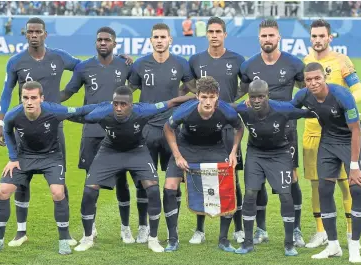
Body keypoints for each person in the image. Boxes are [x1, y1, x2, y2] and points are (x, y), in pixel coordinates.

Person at [0, 81, 96, 255]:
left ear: (42, 98)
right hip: (24, 158)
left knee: (58, 192)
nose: (29, 102)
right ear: (22, 99)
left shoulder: (55, 110)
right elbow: (7, 131)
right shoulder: (13, 114)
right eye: (25, 98)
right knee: (2, 191)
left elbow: (79, 111)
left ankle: (63, 239)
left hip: (51, 157)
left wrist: (107, 106)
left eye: (33, 98)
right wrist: (13, 158)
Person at [73, 86, 193, 253]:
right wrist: (49, 112)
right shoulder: (101, 112)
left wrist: (197, 98)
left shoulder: (143, 110)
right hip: (109, 151)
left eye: (123, 104)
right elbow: (76, 113)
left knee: (152, 189)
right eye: (115, 104)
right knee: (89, 191)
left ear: (131, 104)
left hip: (137, 150)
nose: (119, 108)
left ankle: (153, 238)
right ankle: (87, 238)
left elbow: (171, 102)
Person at [0, 17, 80, 248]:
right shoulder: (16, 62)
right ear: (26, 34)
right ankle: (20, 232)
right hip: (25, 126)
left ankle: (66, 233)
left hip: (54, 126)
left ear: (45, 35)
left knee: (59, 182)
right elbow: (6, 92)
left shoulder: (59, 57)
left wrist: (68, 92)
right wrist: (0, 123)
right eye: (30, 32)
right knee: (22, 179)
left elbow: (82, 68)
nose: (34, 35)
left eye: (38, 32)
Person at [60, 26, 139, 244]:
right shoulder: (84, 67)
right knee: (90, 181)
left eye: (107, 40)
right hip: (92, 132)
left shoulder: (125, 65)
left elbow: (135, 84)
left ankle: (125, 228)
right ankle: (91, 227)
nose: (102, 43)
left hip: (117, 132)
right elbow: (68, 92)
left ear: (114, 43)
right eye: (99, 40)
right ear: (96, 43)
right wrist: (48, 104)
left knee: (122, 180)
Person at [237, 18, 305, 247]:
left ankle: (296, 229)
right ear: (259, 38)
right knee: (258, 182)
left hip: (287, 135)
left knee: (292, 180)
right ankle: (261, 229)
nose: (268, 39)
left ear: (279, 37)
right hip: (258, 134)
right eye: (264, 36)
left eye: (271, 35)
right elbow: (241, 92)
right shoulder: (249, 66)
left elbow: (306, 92)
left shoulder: (294, 64)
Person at [291, 62, 361, 263]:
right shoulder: (303, 96)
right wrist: (263, 105)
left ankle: (354, 245)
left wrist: (353, 166)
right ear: (304, 82)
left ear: (325, 77)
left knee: (356, 189)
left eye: (317, 78)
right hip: (328, 142)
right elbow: (287, 111)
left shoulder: (342, 95)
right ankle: (333, 245)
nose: (313, 83)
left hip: (351, 140)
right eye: (309, 80)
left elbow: (356, 130)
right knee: (324, 189)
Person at [128, 22, 196, 242]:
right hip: (146, 130)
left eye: (163, 37)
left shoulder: (181, 64)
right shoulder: (140, 65)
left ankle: (171, 229)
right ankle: (142, 226)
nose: (159, 40)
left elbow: (195, 91)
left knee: (173, 181)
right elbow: (127, 93)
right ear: (151, 40)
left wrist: (181, 100)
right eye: (155, 37)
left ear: (170, 40)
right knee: (143, 181)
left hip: (172, 130)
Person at [233, 79, 315, 256]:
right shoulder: (243, 108)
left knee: (286, 195)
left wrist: (330, 111)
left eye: (260, 97)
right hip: (255, 153)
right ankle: (247, 243)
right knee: (250, 194)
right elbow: (226, 108)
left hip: (280, 154)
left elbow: (307, 113)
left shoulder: (281, 108)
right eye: (253, 97)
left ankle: (288, 244)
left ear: (267, 96)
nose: (256, 100)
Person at [163, 76, 244, 252]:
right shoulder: (185, 111)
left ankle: (223, 239)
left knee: (228, 188)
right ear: (197, 96)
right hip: (187, 148)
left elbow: (240, 127)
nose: (208, 101)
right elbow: (168, 128)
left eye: (212, 97)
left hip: (214, 149)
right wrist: (177, 156)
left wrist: (233, 152)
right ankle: (172, 238)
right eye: (204, 97)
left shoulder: (226, 111)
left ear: (218, 96)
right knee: (169, 187)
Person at [303, 19, 361, 248]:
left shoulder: (342, 61)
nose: (318, 40)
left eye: (322, 36)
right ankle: (321, 232)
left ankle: (349, 231)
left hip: (338, 133)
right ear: (311, 38)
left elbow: (358, 90)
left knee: (345, 182)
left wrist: (343, 105)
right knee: (317, 184)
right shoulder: (306, 62)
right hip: (312, 133)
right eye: (314, 36)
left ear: (330, 37)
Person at [185, 16, 246, 245]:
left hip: (229, 127)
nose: (214, 35)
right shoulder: (196, 60)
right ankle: (199, 229)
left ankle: (238, 228)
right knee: (201, 177)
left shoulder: (237, 60)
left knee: (233, 178)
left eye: (218, 31)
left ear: (225, 34)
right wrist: (201, 100)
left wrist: (232, 101)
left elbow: (247, 84)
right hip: (203, 128)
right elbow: (188, 83)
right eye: (210, 31)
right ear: (206, 34)